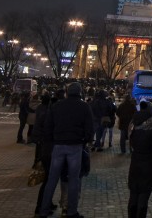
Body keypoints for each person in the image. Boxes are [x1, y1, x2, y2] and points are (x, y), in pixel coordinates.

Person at [38, 82, 95, 218]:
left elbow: (48, 126)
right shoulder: (84, 107)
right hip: (75, 146)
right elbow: (90, 127)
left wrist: (53, 140)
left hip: (58, 145)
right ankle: (71, 211)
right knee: (74, 180)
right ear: (80, 92)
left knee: (52, 179)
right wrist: (85, 140)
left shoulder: (57, 106)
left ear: (67, 92)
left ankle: (43, 210)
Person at [127, 102, 152, 218]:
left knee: (134, 193)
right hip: (148, 164)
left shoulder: (133, 123)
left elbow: (130, 143)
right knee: (144, 195)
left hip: (135, 162)